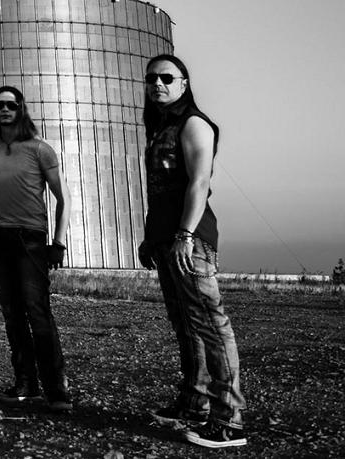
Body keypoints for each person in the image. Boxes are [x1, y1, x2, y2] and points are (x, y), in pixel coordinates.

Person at [139, 54, 247, 448]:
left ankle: (229, 421)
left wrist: (185, 235)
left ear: (184, 83)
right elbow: (160, 193)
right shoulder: (160, 128)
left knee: (211, 325)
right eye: (152, 78)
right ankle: (195, 403)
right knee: (186, 323)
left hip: (191, 239)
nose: (158, 84)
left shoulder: (194, 124)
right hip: (167, 239)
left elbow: (199, 183)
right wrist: (152, 238)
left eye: (167, 78)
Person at [0, 86, 72, 412]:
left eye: (11, 105)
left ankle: (57, 390)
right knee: (12, 314)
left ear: (21, 109)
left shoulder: (39, 149)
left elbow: (64, 198)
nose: (5, 110)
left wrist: (58, 243)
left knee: (37, 312)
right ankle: (26, 384)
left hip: (29, 238)